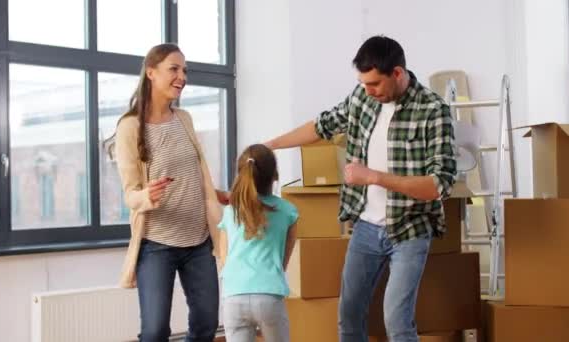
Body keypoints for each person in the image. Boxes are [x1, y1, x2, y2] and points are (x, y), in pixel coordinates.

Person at [264, 36, 457, 342]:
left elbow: (439, 185)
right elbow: (321, 125)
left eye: (374, 84)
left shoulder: (433, 110)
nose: (368, 91)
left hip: (410, 228)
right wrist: (270, 145)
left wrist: (374, 177)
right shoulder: (362, 97)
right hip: (365, 228)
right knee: (349, 317)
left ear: (397, 73)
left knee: (397, 322)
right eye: (363, 83)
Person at [108, 43, 222, 342]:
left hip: (198, 241)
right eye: (174, 68)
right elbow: (130, 194)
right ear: (151, 73)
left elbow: (195, 173)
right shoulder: (130, 127)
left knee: (206, 324)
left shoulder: (184, 119)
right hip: (157, 244)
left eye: (184, 70)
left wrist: (218, 194)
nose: (182, 76)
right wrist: (148, 196)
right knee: (155, 331)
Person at [218, 144, 298, 342]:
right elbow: (284, 259)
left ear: (242, 174)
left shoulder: (231, 211)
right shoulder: (288, 211)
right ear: (274, 176)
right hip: (269, 293)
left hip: (234, 294)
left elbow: (224, 256)